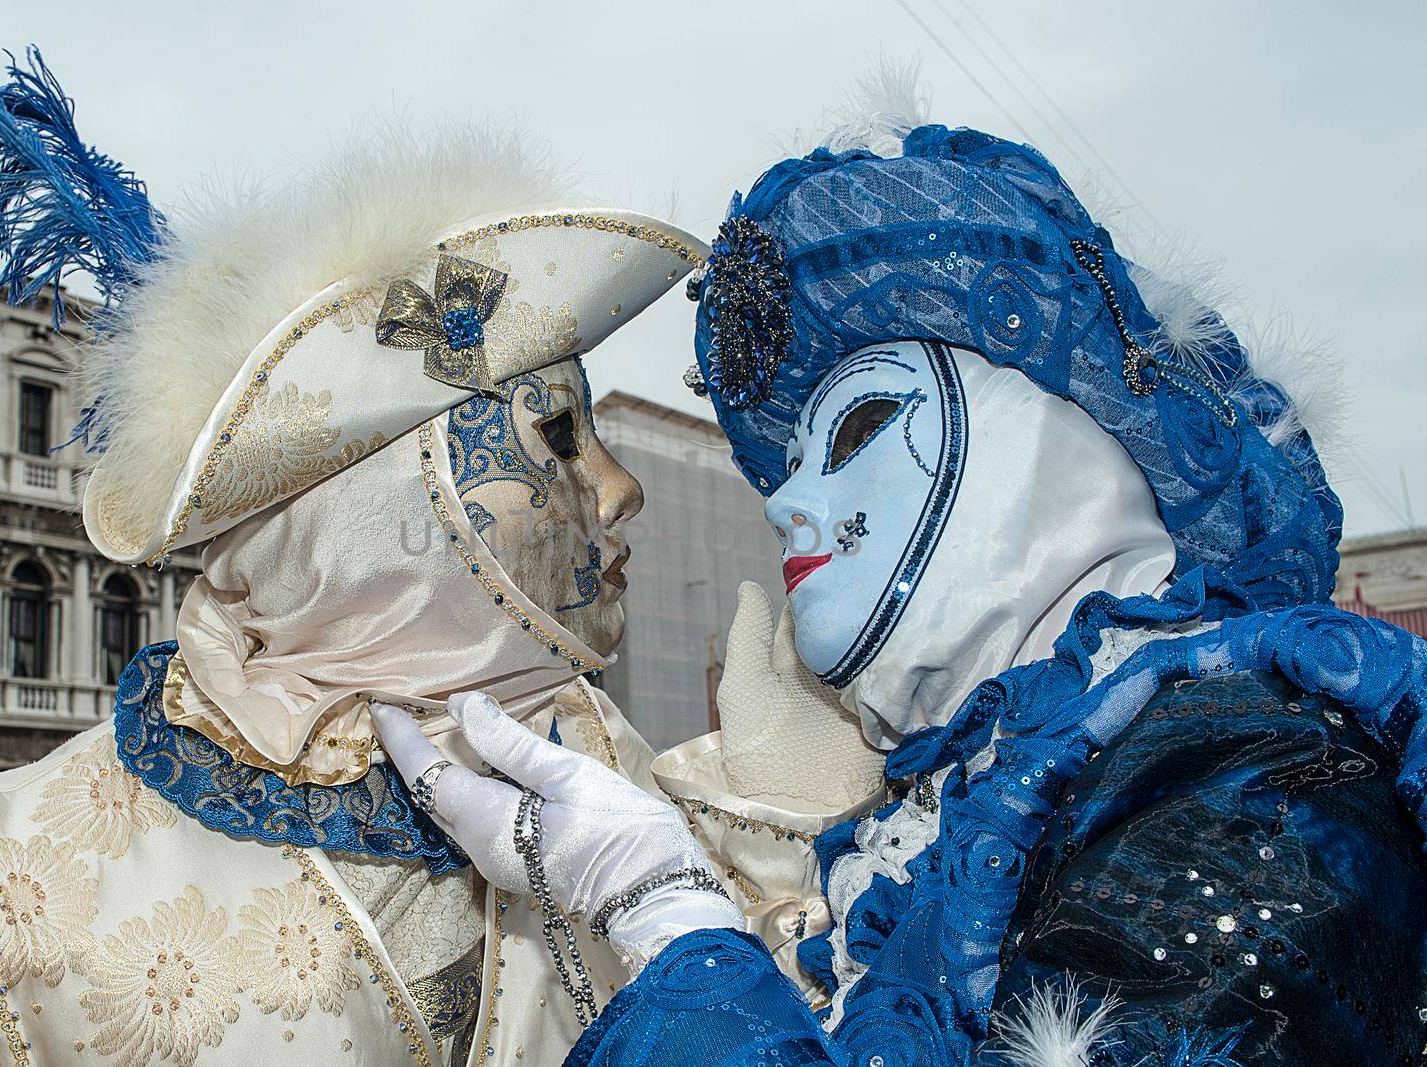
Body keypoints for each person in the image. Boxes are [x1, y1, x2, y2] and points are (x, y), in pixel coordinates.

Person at [378, 77, 1427, 1066]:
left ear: (1043, 461)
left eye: (863, 428)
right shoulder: (946, 822)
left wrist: (663, 905)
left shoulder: (1259, 773)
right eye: (786, 470)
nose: (789, 504)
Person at [0, 46, 703, 1065]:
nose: (617, 486)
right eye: (558, 435)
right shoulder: (20, 881)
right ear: (381, 519)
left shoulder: (614, 776)